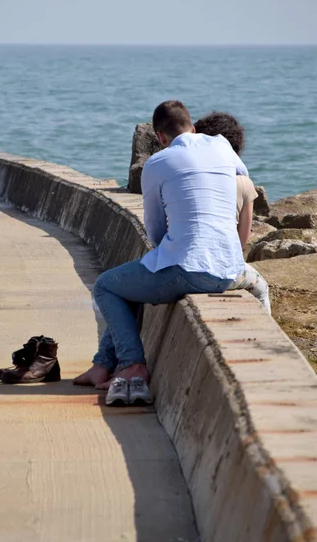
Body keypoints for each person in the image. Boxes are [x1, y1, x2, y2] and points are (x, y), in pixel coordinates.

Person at [74, 100, 248, 406]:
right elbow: (240, 182)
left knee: (107, 286)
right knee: (133, 283)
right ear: (192, 128)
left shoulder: (157, 163)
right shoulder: (223, 146)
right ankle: (102, 365)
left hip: (190, 269)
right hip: (231, 267)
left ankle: (132, 367)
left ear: (160, 137)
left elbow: (154, 229)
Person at [194, 112, 271, 314]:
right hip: (222, 271)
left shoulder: (186, 178)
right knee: (262, 289)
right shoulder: (243, 182)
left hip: (182, 266)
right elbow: (240, 242)